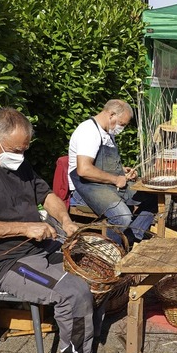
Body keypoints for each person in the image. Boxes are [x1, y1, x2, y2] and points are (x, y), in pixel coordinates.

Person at [0, 108, 115, 353]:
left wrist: (66, 221)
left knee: (97, 273)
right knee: (74, 289)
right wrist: (25, 227)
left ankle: (87, 342)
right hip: (1, 263)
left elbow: (46, 195)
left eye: (24, 150)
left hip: (36, 249)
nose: (21, 157)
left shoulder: (17, 161)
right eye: (16, 150)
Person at [68, 99, 157, 247]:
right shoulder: (88, 132)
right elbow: (84, 169)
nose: (121, 128)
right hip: (85, 187)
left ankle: (130, 238)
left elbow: (100, 163)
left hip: (105, 183)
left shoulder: (107, 132)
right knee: (122, 217)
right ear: (111, 114)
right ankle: (110, 253)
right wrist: (116, 179)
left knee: (151, 199)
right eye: (122, 124)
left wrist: (122, 170)